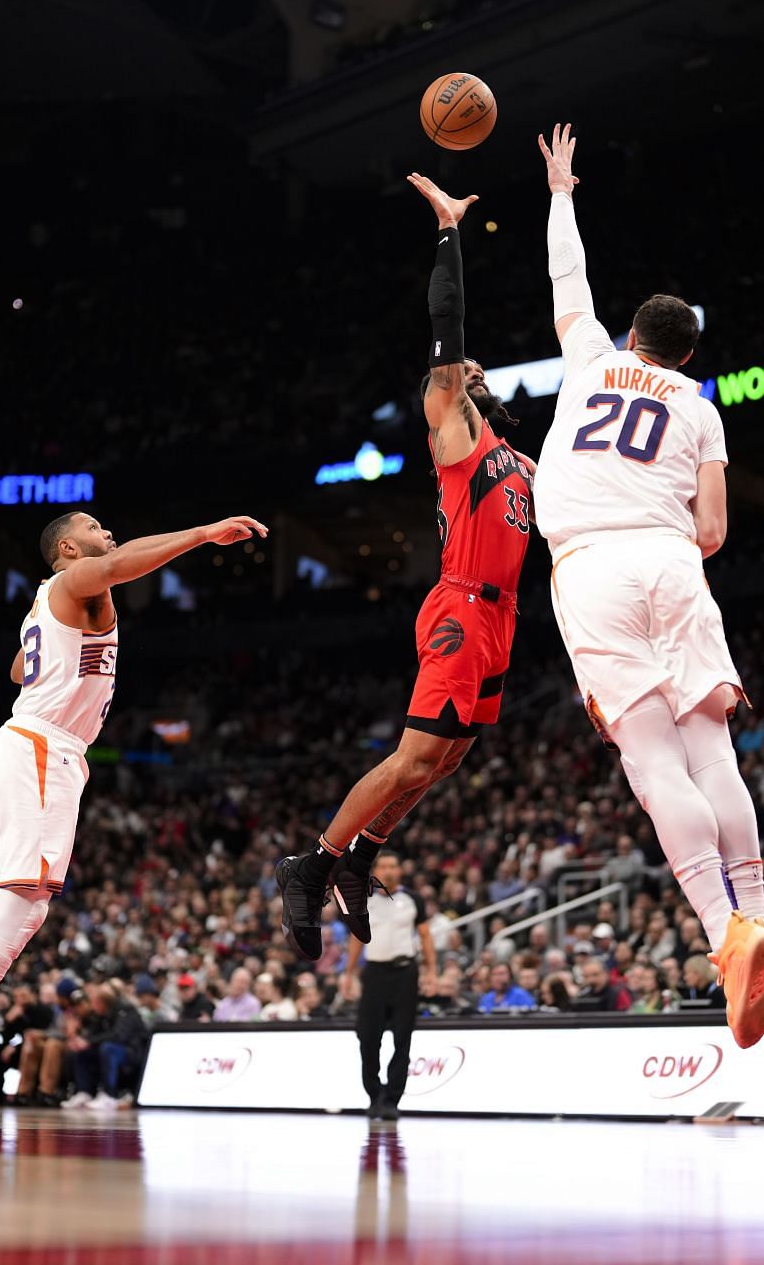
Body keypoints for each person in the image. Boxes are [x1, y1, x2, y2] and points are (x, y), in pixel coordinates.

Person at [0, 509, 267, 1130]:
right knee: (28, 903)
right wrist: (200, 533)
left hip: (36, 745)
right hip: (41, 748)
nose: (111, 532)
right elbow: (117, 565)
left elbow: (18, 670)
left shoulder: (50, 599)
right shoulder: (76, 580)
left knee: (9, 901)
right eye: (99, 528)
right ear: (71, 548)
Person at [530, 122, 764, 1050]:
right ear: (685, 354)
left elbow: (570, 282)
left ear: (636, 337)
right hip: (674, 562)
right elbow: (714, 531)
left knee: (649, 760)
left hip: (593, 564)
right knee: (710, 752)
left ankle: (724, 937)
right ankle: (756, 912)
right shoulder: (704, 408)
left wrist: (562, 191)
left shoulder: (595, 360)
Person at [277, 174, 535, 959]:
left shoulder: (520, 460)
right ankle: (313, 862)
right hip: (459, 606)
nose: (474, 375)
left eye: (480, 374)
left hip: (503, 615)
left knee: (449, 758)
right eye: (464, 373)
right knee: (417, 753)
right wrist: (449, 232)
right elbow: (448, 326)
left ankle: (362, 852)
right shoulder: (456, 436)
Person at [346, 849, 435, 1119]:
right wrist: (348, 974)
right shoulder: (364, 899)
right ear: (375, 871)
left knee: (402, 1037)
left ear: (400, 871)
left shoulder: (412, 899)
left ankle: (392, 1100)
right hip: (374, 974)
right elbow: (356, 939)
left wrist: (432, 971)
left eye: (393, 866)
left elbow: (425, 936)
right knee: (368, 1037)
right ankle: (374, 1094)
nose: (387, 870)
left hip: (404, 973)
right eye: (382, 866)